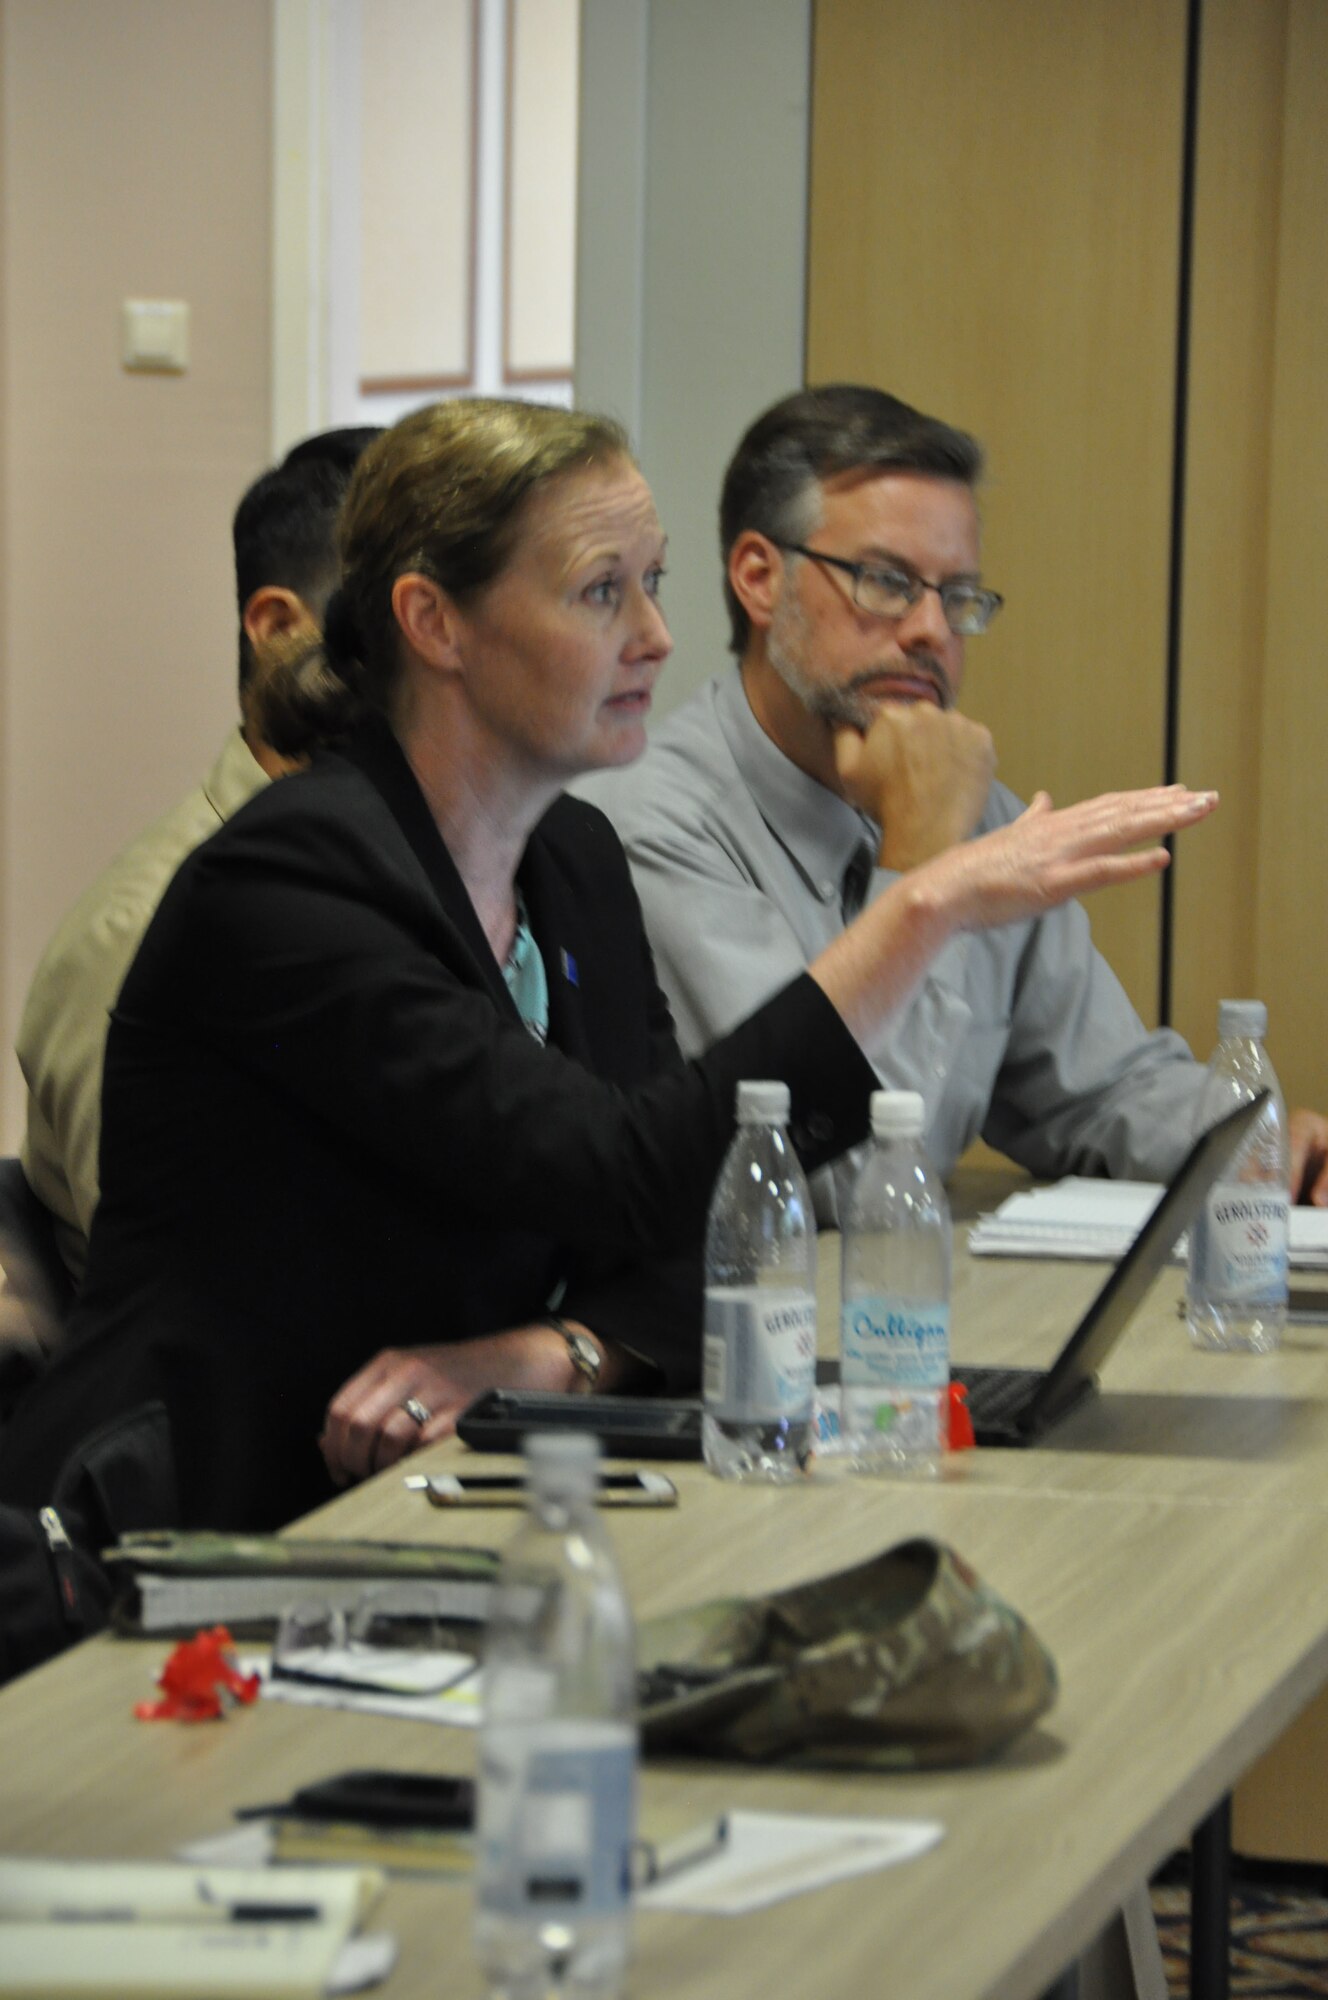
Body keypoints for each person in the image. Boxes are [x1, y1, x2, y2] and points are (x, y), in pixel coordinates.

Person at [0, 398, 1216, 1535]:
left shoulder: (568, 854)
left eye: (653, 583)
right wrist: (926, 901)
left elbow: (691, 1227)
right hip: (196, 1522)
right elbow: (627, 1168)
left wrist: (554, 1352)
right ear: (435, 623)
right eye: (599, 592)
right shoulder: (290, 881)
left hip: (445, 1477)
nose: (656, 635)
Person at [577, 383, 1328, 1210]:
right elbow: (833, 1183)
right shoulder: (646, 824)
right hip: (752, 1322)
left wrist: (1266, 1147)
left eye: (958, 596)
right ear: (760, 578)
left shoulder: (981, 812)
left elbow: (1100, 1089)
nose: (933, 631)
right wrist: (928, 870)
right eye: (887, 581)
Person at [15, 429, 380, 1292]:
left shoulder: (456, 877)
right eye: (400, 619)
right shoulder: (145, 932)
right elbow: (197, 1305)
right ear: (280, 628)